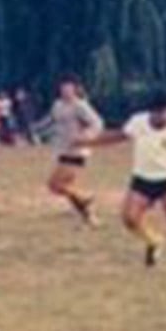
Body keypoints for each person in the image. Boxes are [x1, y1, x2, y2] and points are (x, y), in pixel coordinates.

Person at [86, 92, 166, 273]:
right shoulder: (139, 122)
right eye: (156, 112)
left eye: (165, 112)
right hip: (142, 179)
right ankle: (154, 241)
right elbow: (120, 135)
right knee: (129, 218)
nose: (161, 116)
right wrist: (89, 143)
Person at [44, 77, 104, 228]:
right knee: (68, 188)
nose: (65, 91)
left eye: (69, 88)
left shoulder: (80, 106)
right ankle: (89, 217)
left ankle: (85, 199)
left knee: (54, 185)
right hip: (62, 149)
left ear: (75, 89)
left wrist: (85, 136)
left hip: (77, 151)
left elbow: (97, 123)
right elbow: (54, 123)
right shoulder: (57, 105)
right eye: (63, 87)